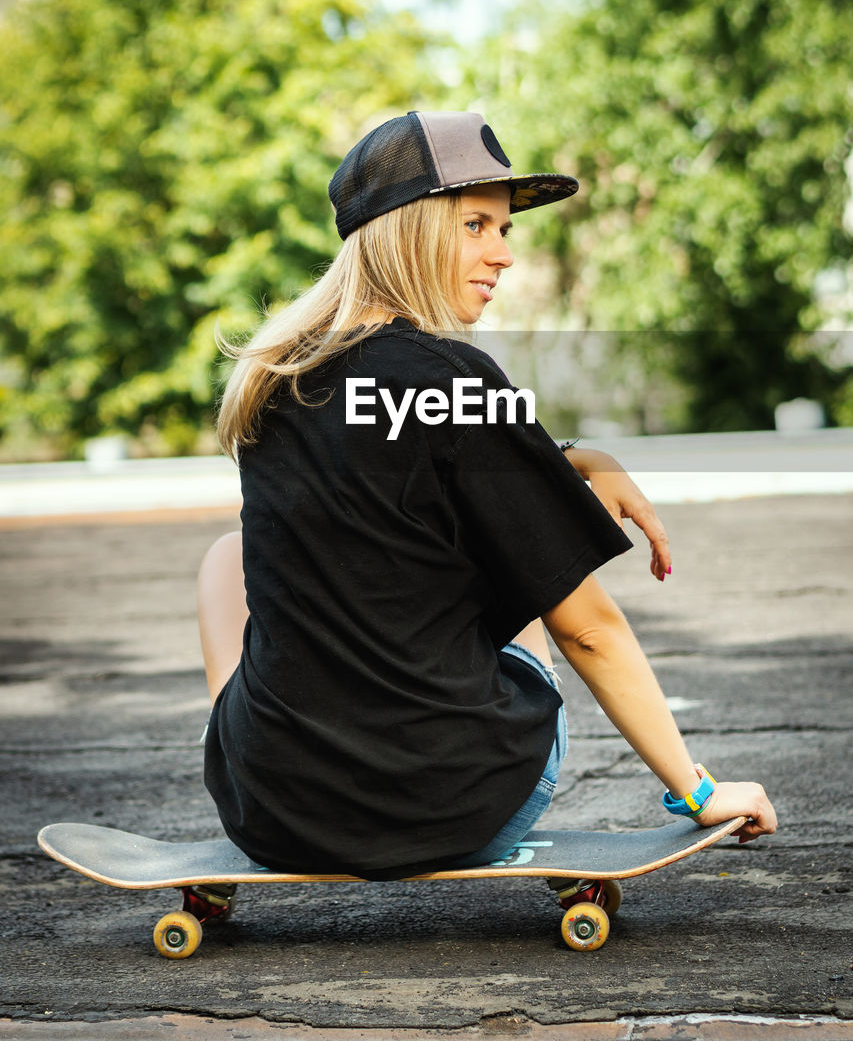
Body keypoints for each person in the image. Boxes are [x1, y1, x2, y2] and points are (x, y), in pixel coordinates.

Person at [199, 110, 776, 881]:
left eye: (503, 230)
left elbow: (403, 467)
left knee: (226, 559)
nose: (502, 255)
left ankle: (263, 760)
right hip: (453, 806)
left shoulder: (277, 382)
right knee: (514, 560)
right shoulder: (455, 381)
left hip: (271, 815)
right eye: (475, 225)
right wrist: (697, 790)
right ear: (407, 229)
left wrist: (575, 459)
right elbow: (589, 630)